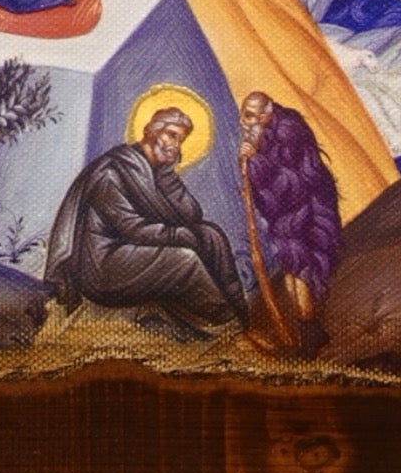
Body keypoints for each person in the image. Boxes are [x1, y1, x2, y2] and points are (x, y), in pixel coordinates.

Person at [43, 108, 248, 336]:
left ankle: (241, 312)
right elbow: (132, 228)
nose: (175, 145)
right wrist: (181, 235)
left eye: (180, 140)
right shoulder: (111, 172)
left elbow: (191, 216)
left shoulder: (155, 172)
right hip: (105, 266)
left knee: (211, 235)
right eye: (171, 135)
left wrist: (168, 176)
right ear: (150, 131)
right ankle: (226, 323)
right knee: (184, 260)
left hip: (135, 251)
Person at [238, 91, 341, 348]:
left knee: (301, 265)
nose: (243, 123)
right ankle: (304, 327)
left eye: (249, 116)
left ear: (266, 115)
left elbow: (289, 180)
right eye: (243, 115)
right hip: (284, 212)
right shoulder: (263, 133)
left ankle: (309, 327)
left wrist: (255, 160)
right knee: (290, 264)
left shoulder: (288, 131)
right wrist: (250, 163)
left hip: (307, 208)